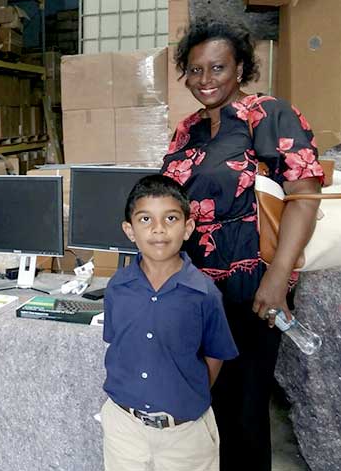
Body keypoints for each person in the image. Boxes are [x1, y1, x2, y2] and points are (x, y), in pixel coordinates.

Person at [163, 18, 326, 470]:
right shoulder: (186, 130)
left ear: (239, 69)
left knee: (245, 409)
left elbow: (304, 197)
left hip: (252, 287)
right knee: (205, 400)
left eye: (217, 68)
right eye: (195, 70)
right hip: (193, 287)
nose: (205, 80)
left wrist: (276, 281)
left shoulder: (268, 113)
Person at [100, 175, 238, 471]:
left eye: (171, 218)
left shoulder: (204, 294)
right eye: (146, 219)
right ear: (129, 230)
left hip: (184, 435)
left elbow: (215, 356)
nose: (158, 229)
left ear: (187, 227)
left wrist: (184, 394)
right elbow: (118, 344)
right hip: (124, 428)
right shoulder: (117, 287)